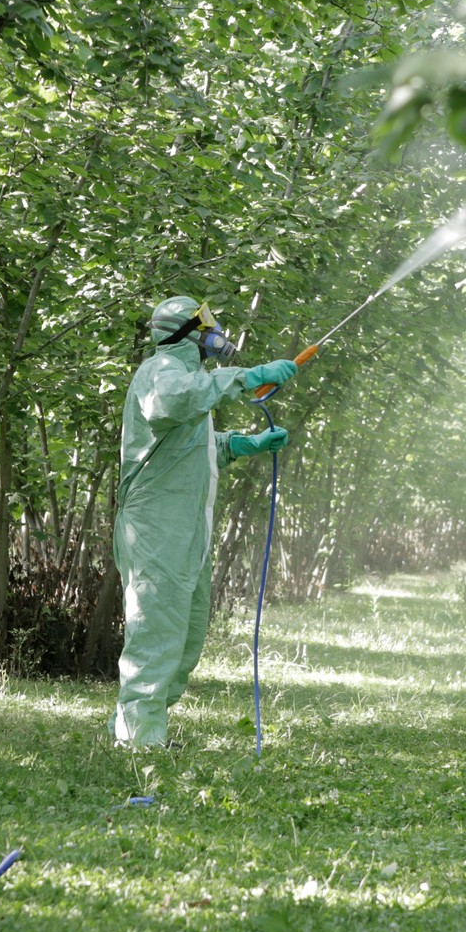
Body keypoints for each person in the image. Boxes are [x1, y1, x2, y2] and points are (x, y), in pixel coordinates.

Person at [111, 296, 299, 747]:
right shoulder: (161, 371)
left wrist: (242, 444)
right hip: (155, 527)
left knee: (187, 632)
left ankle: (150, 728)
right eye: (206, 325)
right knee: (156, 630)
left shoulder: (185, 376)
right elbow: (174, 402)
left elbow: (187, 446)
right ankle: (138, 738)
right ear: (185, 332)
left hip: (184, 530)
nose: (215, 334)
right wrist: (245, 377)